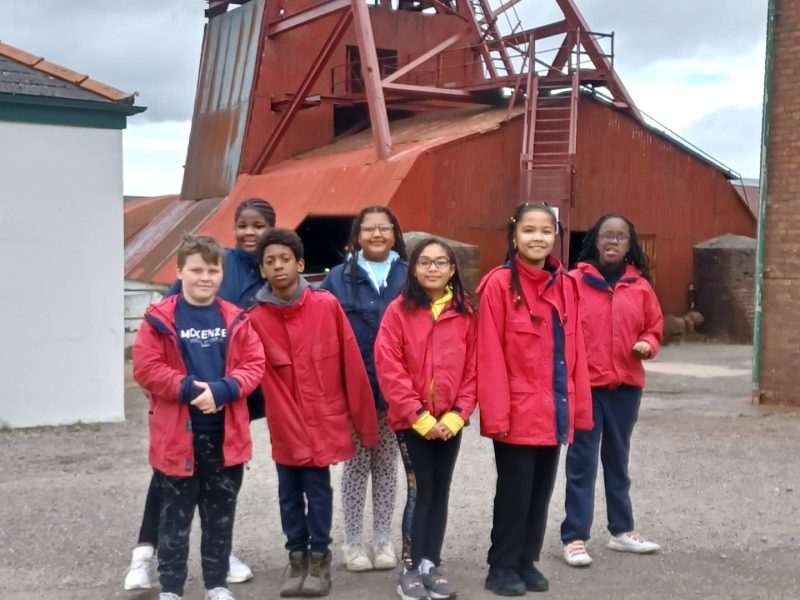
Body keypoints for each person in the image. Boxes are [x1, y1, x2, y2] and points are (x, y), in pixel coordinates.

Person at [124, 198, 276, 590]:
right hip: (182, 418)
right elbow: (149, 361)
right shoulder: (167, 313)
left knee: (220, 503)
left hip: (228, 415)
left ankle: (217, 575)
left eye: (212, 271)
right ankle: (159, 572)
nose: (205, 277)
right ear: (180, 272)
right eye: (196, 270)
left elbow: (254, 360)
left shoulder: (257, 286)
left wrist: (224, 391)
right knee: (173, 503)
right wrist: (190, 389)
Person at [247, 228, 379, 598]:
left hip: (321, 419)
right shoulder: (255, 319)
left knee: (318, 490)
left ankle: (319, 558)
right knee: (288, 493)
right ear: (262, 270)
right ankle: (296, 557)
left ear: (300, 264)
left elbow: (351, 364)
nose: (278, 266)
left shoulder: (326, 306)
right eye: (270, 262)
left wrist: (365, 425)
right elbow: (243, 373)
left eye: (285, 259)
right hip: (284, 424)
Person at [477, 202, 592, 596]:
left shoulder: (567, 285)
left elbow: (575, 352)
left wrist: (577, 408)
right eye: (529, 230)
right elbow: (489, 353)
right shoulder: (499, 285)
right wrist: (497, 415)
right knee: (514, 490)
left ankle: (527, 560)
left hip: (554, 405)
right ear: (514, 236)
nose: (537, 238)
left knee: (541, 490)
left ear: (556, 235)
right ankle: (502, 565)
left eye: (546, 230)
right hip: (517, 408)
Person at [374, 238, 477, 600]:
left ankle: (431, 562)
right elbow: (389, 367)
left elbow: (473, 369)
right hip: (412, 422)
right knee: (421, 490)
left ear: (452, 269)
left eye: (441, 262)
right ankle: (411, 567)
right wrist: (419, 416)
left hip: (450, 422)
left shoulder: (464, 313)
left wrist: (457, 416)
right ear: (413, 269)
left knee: (440, 490)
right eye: (425, 262)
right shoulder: (398, 311)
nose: (433, 268)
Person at [560, 214, 664, 567]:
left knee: (617, 459)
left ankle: (622, 530)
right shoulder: (573, 283)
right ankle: (575, 537)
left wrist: (648, 344)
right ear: (595, 240)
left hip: (625, 388)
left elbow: (654, 327)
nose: (613, 242)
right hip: (586, 387)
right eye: (607, 235)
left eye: (621, 236)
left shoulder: (641, 287)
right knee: (582, 461)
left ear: (630, 244)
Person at [319, 206, 408, 572]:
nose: (376, 234)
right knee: (356, 466)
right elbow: (321, 328)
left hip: (396, 390)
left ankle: (383, 538)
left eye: (384, 228)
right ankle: (353, 542)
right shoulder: (338, 277)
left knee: (386, 464)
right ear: (357, 235)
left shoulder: (408, 274)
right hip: (355, 390)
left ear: (394, 233)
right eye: (369, 228)